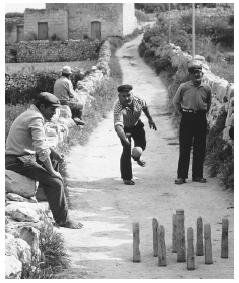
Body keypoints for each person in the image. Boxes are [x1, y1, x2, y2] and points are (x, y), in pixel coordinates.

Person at [5, 92, 83, 229]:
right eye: (52, 109)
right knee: (56, 182)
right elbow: (41, 149)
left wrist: (54, 154)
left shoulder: (32, 114)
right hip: (16, 160)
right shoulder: (35, 117)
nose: (54, 113)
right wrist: (52, 172)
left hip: (21, 156)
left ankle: (45, 197)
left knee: (53, 160)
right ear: (42, 106)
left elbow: (41, 143)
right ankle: (63, 220)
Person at [173, 61, 212, 185]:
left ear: (202, 74)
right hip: (187, 118)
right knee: (185, 147)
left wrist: (202, 113)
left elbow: (209, 103)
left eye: (199, 72)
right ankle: (182, 176)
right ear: (190, 75)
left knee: (200, 147)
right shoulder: (184, 87)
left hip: (201, 118)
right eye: (194, 73)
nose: (197, 75)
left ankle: (198, 175)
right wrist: (183, 112)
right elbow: (176, 101)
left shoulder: (206, 88)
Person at [113, 84, 157, 185]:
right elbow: (118, 126)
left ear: (132, 94)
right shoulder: (118, 107)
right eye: (123, 96)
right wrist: (124, 140)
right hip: (124, 128)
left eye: (128, 95)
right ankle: (127, 178)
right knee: (127, 150)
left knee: (142, 146)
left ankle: (136, 157)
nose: (126, 98)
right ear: (119, 96)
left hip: (137, 125)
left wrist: (150, 119)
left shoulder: (138, 100)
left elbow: (145, 107)